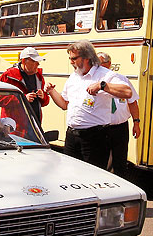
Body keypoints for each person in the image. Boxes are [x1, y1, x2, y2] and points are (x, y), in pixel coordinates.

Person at [46, 40, 133, 169]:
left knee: (92, 177)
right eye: (70, 58)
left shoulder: (105, 75)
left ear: (87, 58)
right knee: (70, 173)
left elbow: (127, 92)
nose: (71, 62)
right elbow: (64, 104)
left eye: (74, 58)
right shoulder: (74, 77)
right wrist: (52, 92)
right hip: (72, 136)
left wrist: (102, 85)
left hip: (94, 138)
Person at [98, 52, 141, 178]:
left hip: (120, 127)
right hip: (100, 128)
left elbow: (133, 102)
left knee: (120, 162)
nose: (98, 68)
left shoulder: (122, 80)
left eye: (101, 64)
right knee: (100, 162)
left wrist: (136, 123)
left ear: (109, 64)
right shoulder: (94, 82)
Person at [0, 47, 49, 135]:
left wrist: (43, 96)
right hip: (15, 128)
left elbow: (44, 103)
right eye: (34, 62)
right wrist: (22, 98)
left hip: (35, 125)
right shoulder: (8, 76)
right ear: (24, 61)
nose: (38, 64)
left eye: (38, 62)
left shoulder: (39, 77)